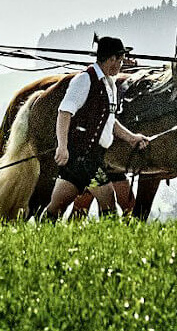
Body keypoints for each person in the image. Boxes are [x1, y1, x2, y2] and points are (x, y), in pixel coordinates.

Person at [46, 36, 151, 220]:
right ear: (111, 59)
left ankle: (43, 233)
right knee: (108, 200)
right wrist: (62, 146)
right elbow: (64, 112)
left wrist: (132, 138)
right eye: (120, 60)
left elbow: (110, 122)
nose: (121, 64)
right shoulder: (85, 80)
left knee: (56, 207)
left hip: (91, 157)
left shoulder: (109, 84)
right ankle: (108, 242)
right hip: (82, 157)